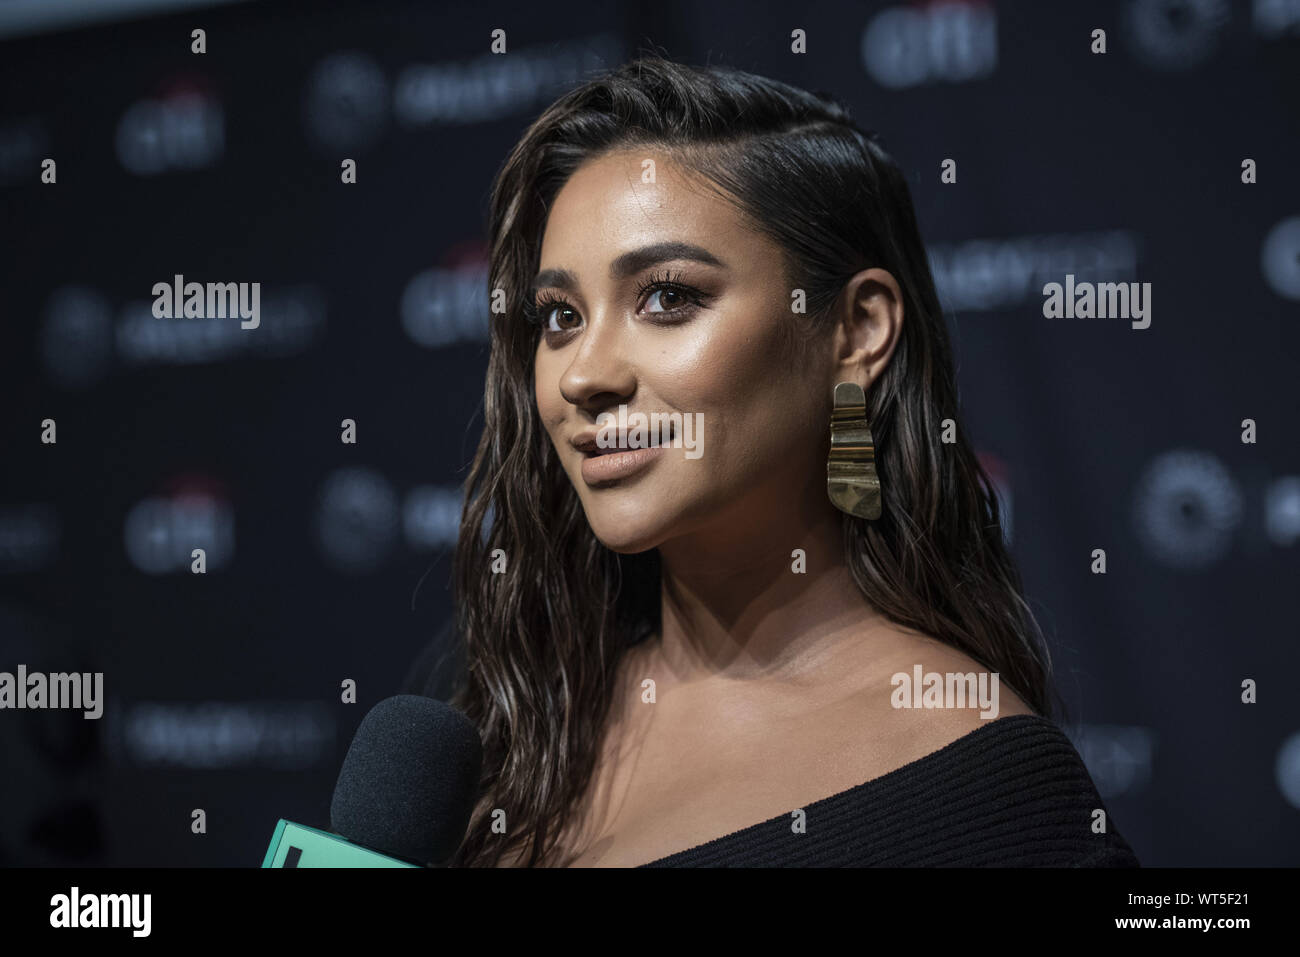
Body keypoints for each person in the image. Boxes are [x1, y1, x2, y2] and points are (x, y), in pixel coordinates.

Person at [404, 53, 1139, 868]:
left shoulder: (988, 783)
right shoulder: (516, 727)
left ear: (857, 331)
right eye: (560, 315)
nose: (583, 374)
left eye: (667, 297)